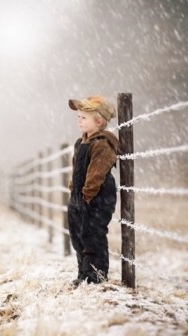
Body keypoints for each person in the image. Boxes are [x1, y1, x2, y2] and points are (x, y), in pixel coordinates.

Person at [67, 95, 120, 287]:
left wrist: (87, 196)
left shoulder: (103, 144)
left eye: (84, 117)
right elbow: (77, 170)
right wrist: (74, 192)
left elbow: (96, 173)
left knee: (92, 235)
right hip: (78, 198)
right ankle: (83, 274)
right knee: (77, 236)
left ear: (99, 121)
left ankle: (95, 276)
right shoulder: (80, 143)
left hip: (96, 197)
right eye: (78, 116)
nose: (79, 120)